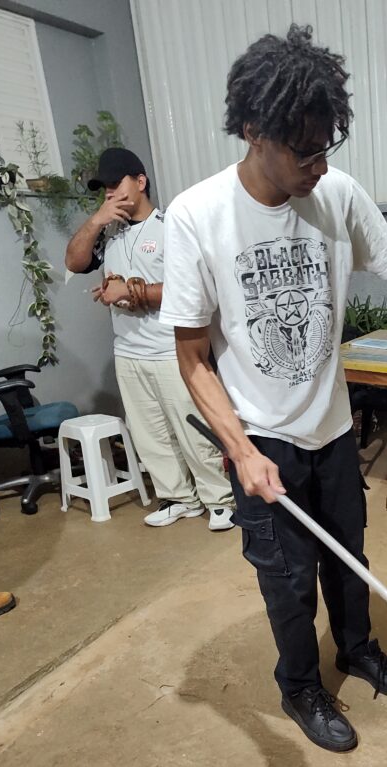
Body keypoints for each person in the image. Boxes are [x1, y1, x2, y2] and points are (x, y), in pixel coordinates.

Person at [160, 25, 387, 752]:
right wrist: (241, 451)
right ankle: (300, 686)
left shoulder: (336, 193)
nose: (318, 165)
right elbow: (191, 356)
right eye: (303, 151)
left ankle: (357, 649)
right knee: (286, 579)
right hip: (262, 437)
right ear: (253, 132)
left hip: (332, 427)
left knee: (349, 555)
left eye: (325, 148)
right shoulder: (196, 216)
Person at [64, 148, 235, 530]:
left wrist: (131, 291)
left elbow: (195, 288)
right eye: (104, 188)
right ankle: (178, 498)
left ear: (140, 181)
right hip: (128, 350)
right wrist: (96, 220)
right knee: (150, 435)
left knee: (194, 429)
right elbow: (74, 261)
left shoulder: (171, 226)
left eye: (116, 184)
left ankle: (220, 500)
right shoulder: (108, 234)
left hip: (173, 350)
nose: (109, 193)